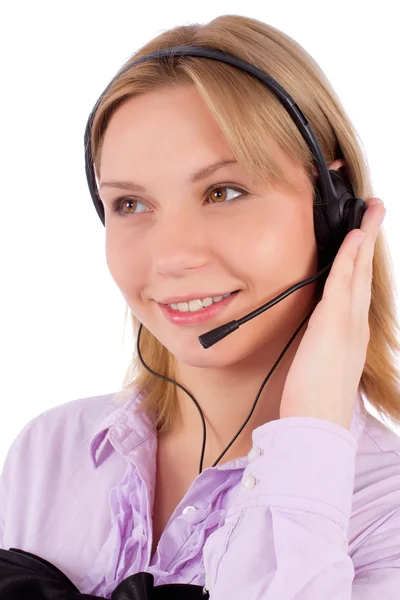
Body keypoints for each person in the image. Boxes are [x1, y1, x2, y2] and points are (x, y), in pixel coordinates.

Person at [1, 13, 400, 599]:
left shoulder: (386, 509)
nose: (170, 257)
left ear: (333, 210)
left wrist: (310, 432)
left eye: (224, 192)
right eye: (131, 205)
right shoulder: (48, 451)